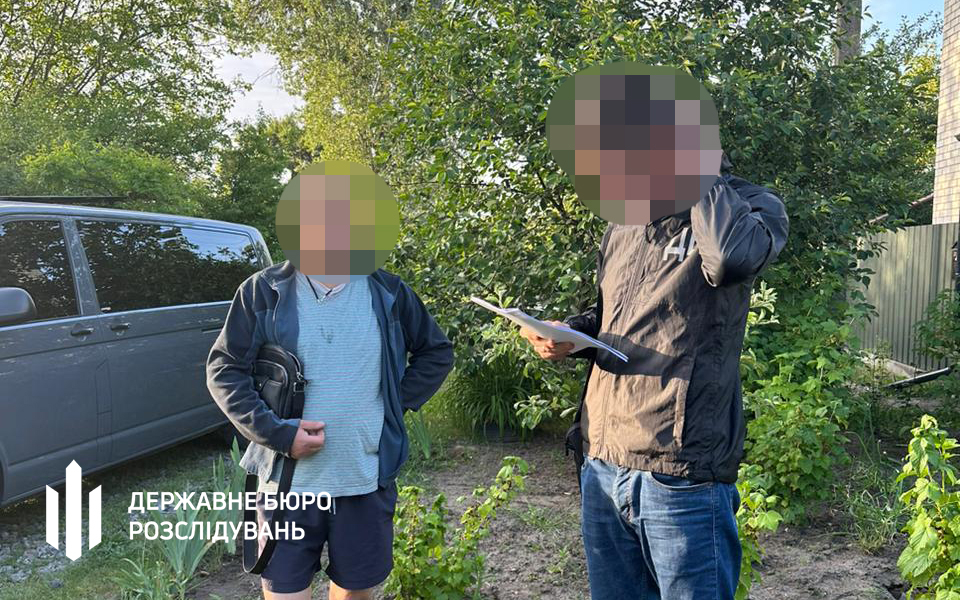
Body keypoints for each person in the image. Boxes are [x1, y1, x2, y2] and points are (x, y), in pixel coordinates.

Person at [522, 153, 788, 599]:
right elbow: (612, 317)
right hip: (604, 461)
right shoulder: (627, 219)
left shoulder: (748, 205)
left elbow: (729, 260)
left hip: (679, 472)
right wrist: (569, 333)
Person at [207, 261, 454, 600]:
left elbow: (436, 352)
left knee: (354, 593)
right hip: (285, 485)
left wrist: (395, 405)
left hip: (364, 479)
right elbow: (225, 371)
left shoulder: (389, 292)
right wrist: (280, 435)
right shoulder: (263, 291)